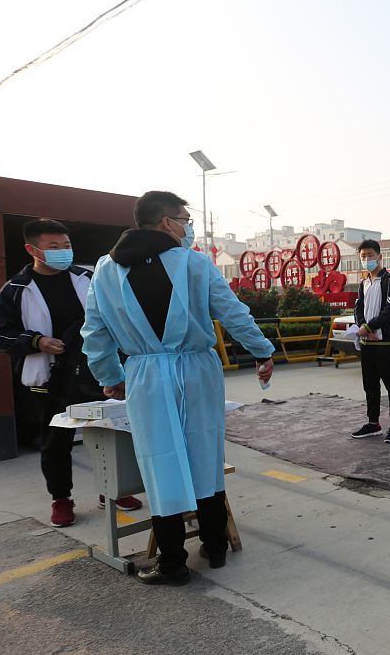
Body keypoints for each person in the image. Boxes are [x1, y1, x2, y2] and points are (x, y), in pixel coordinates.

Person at [81, 192, 274, 585]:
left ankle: (172, 563)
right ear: (167, 222)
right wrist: (262, 351)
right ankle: (215, 546)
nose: (189, 226)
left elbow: (95, 332)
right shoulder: (194, 263)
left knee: (159, 460)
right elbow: (233, 312)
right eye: (185, 219)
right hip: (196, 367)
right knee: (205, 454)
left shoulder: (104, 271)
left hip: (146, 374)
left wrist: (110, 376)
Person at [0, 218, 143, 528]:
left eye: (67, 246)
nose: (63, 252)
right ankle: (61, 499)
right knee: (55, 442)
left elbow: (115, 318)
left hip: (95, 372)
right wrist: (36, 341)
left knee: (111, 434)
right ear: (32, 249)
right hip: (49, 378)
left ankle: (112, 491)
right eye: (54, 247)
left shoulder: (88, 278)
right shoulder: (16, 289)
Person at [350, 239, 390, 443]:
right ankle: (373, 423)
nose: (367, 260)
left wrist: (369, 327)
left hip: (386, 344)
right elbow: (358, 308)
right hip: (368, 344)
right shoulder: (364, 282)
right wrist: (363, 326)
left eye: (370, 256)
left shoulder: (388, 281)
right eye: (363, 256)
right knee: (370, 385)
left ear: (380, 257)